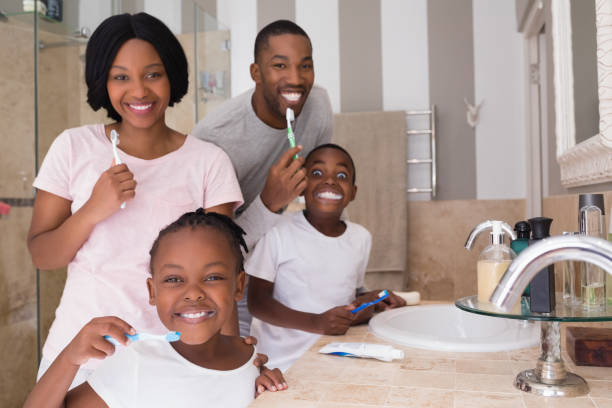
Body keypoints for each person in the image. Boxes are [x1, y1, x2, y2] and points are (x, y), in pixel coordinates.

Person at [27, 13, 244, 388]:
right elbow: (43, 256)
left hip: (175, 358)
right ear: (102, 81)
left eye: (153, 74)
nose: (139, 91)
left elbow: (220, 277)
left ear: (172, 75)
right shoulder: (72, 147)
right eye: (121, 76)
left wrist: (234, 360)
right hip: (82, 354)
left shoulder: (208, 162)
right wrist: (93, 210)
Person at [24, 210, 287, 408]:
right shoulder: (137, 362)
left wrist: (273, 395)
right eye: (174, 280)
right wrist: (69, 358)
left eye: (212, 277)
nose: (193, 293)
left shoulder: (252, 359)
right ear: (152, 291)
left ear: (238, 286)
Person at [192, 19, 333, 336]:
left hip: (283, 267)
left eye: (305, 66)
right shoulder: (215, 138)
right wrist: (270, 203)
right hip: (228, 280)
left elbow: (326, 196)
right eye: (280, 66)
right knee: (238, 374)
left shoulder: (318, 106)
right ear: (256, 72)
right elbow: (207, 251)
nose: (295, 79)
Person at [246, 144, 407, 371]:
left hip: (333, 356)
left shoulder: (361, 237)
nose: (330, 181)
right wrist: (316, 322)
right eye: (317, 173)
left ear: (353, 192)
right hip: (280, 365)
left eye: (341, 175)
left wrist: (375, 299)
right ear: (302, 187)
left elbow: (350, 293)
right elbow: (257, 303)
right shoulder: (277, 232)